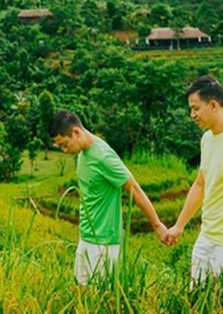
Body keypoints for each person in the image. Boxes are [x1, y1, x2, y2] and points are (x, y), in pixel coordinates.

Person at [165, 75, 223, 298]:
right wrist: (179, 225)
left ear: (214, 105)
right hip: (206, 239)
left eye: (196, 108)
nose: (192, 115)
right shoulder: (207, 139)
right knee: (197, 301)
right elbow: (200, 184)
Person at [49, 109, 169, 285]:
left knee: (99, 301)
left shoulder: (103, 157)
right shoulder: (83, 154)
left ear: (76, 132)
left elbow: (134, 189)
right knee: (82, 295)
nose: (64, 150)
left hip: (103, 243)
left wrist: (157, 225)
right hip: (86, 237)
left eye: (64, 144)